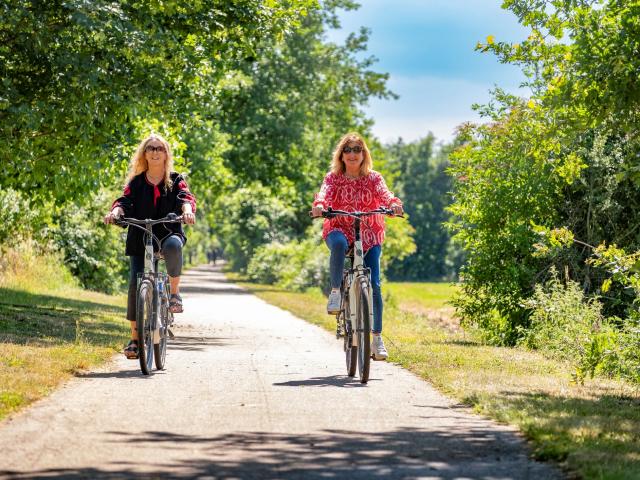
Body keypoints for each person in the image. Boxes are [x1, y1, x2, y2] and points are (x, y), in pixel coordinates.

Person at [311, 132, 403, 361]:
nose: (352, 154)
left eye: (357, 150)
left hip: (370, 232)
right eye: (348, 150)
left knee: (375, 284)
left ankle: (377, 339)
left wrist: (393, 204)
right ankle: (335, 292)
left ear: (364, 155)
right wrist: (320, 205)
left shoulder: (374, 178)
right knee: (340, 245)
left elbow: (385, 194)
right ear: (341, 155)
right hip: (338, 227)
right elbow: (324, 193)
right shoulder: (333, 178)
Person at [104, 134, 196, 359]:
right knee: (135, 283)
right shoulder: (136, 182)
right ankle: (134, 339)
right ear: (144, 154)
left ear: (166, 154)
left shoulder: (175, 179)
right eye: (150, 148)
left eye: (159, 148)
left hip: (167, 232)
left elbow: (186, 197)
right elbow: (123, 201)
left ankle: (174, 294)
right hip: (141, 235)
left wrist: (187, 210)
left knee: (174, 246)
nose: (155, 152)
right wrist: (116, 212)